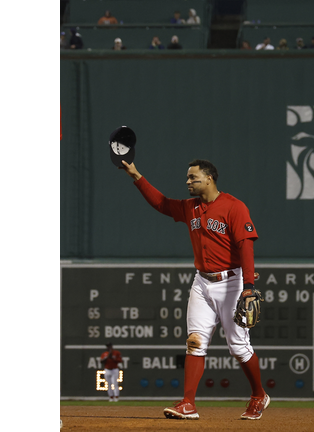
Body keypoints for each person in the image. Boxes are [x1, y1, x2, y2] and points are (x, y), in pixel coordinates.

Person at [120, 159, 267, 421]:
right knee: (195, 343)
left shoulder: (234, 207)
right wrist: (136, 175)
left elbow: (246, 247)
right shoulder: (191, 208)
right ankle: (188, 403)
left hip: (231, 283)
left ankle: (258, 395)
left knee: (238, 347)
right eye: (188, 178)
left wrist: (248, 287)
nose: (188, 182)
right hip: (202, 282)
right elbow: (162, 204)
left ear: (209, 178)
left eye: (193, 177)